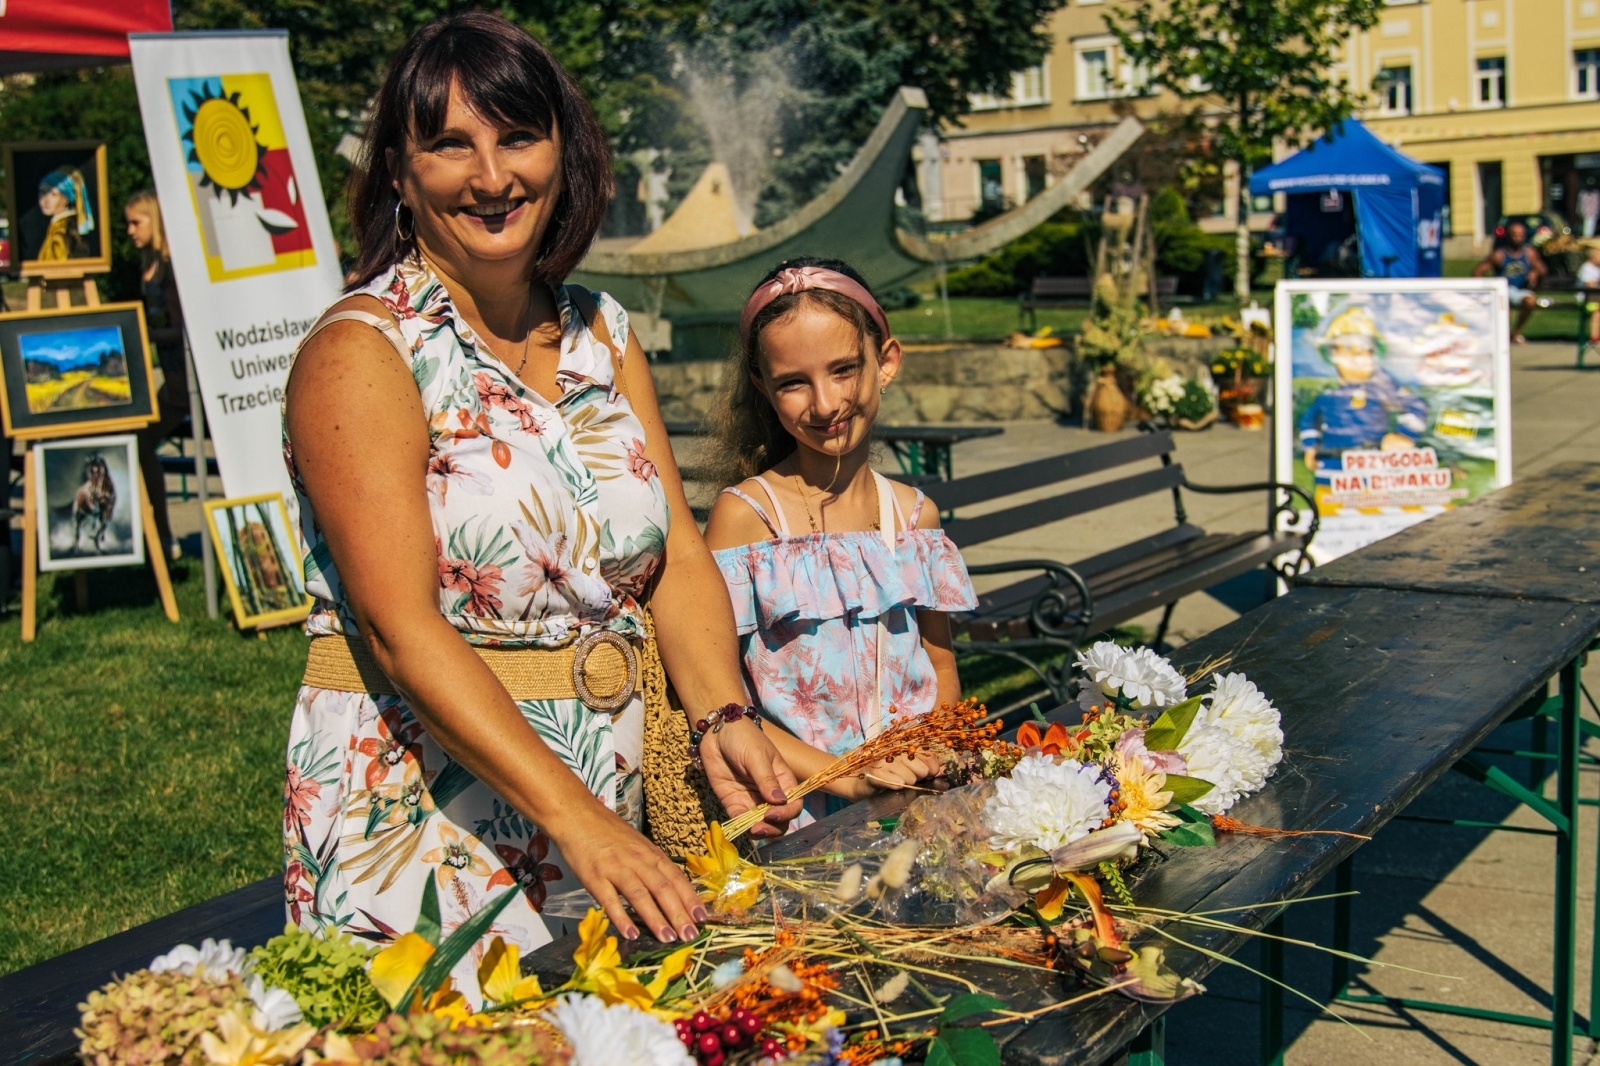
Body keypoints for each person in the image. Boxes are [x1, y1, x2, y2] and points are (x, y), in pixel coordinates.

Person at [280, 11, 800, 1001]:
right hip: (419, 805)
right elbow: (398, 630)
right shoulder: (363, 351)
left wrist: (721, 709)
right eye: (448, 146)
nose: (491, 176)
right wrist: (579, 818)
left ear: (564, 147)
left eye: (517, 136)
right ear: (399, 171)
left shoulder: (604, 330)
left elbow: (678, 557)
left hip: (596, 788)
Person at [703, 257, 977, 816]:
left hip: (916, 801)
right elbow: (719, 698)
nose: (825, 403)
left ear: (887, 362)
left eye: (844, 369)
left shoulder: (914, 519)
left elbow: (940, 670)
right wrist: (847, 780)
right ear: (763, 386)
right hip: (802, 813)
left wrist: (925, 755)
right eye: (793, 383)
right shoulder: (748, 519)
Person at [126, 191, 188, 560]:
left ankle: (164, 537)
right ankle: (160, 534)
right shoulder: (149, 265)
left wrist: (143, 334)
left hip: (184, 385)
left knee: (140, 441)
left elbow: (183, 328)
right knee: (139, 441)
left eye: (137, 222)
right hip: (168, 377)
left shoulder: (171, 268)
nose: (130, 230)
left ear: (154, 219)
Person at [1298, 305, 1427, 477]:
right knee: (1327, 499)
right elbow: (1309, 419)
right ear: (1333, 354)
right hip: (1331, 464)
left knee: (1372, 499)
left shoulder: (1382, 386)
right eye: (1348, 348)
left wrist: (1404, 434)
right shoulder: (1328, 393)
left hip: (1372, 465)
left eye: (1364, 350)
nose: (1356, 356)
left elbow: (1416, 405)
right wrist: (1311, 447)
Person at [1473, 220, 1546, 343]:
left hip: (1521, 290)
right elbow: (1478, 272)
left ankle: (1516, 331)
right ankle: (1502, 335)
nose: (1518, 238)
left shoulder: (1529, 254)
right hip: (1504, 289)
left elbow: (1543, 270)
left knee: (1530, 301)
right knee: (1503, 302)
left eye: (1521, 235)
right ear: (1509, 236)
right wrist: (1485, 289)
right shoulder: (1500, 255)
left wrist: (1535, 272)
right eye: (1515, 235)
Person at [35, 169, 94, 261]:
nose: (45, 200)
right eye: (42, 192)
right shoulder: (58, 228)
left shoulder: (60, 234)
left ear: (66, 197)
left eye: (53, 194)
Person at [1578, 244, 1600, 356]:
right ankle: (1594, 337)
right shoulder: (1586, 268)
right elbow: (1589, 284)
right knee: (1596, 312)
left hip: (1596, 297)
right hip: (1587, 298)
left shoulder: (1596, 268)